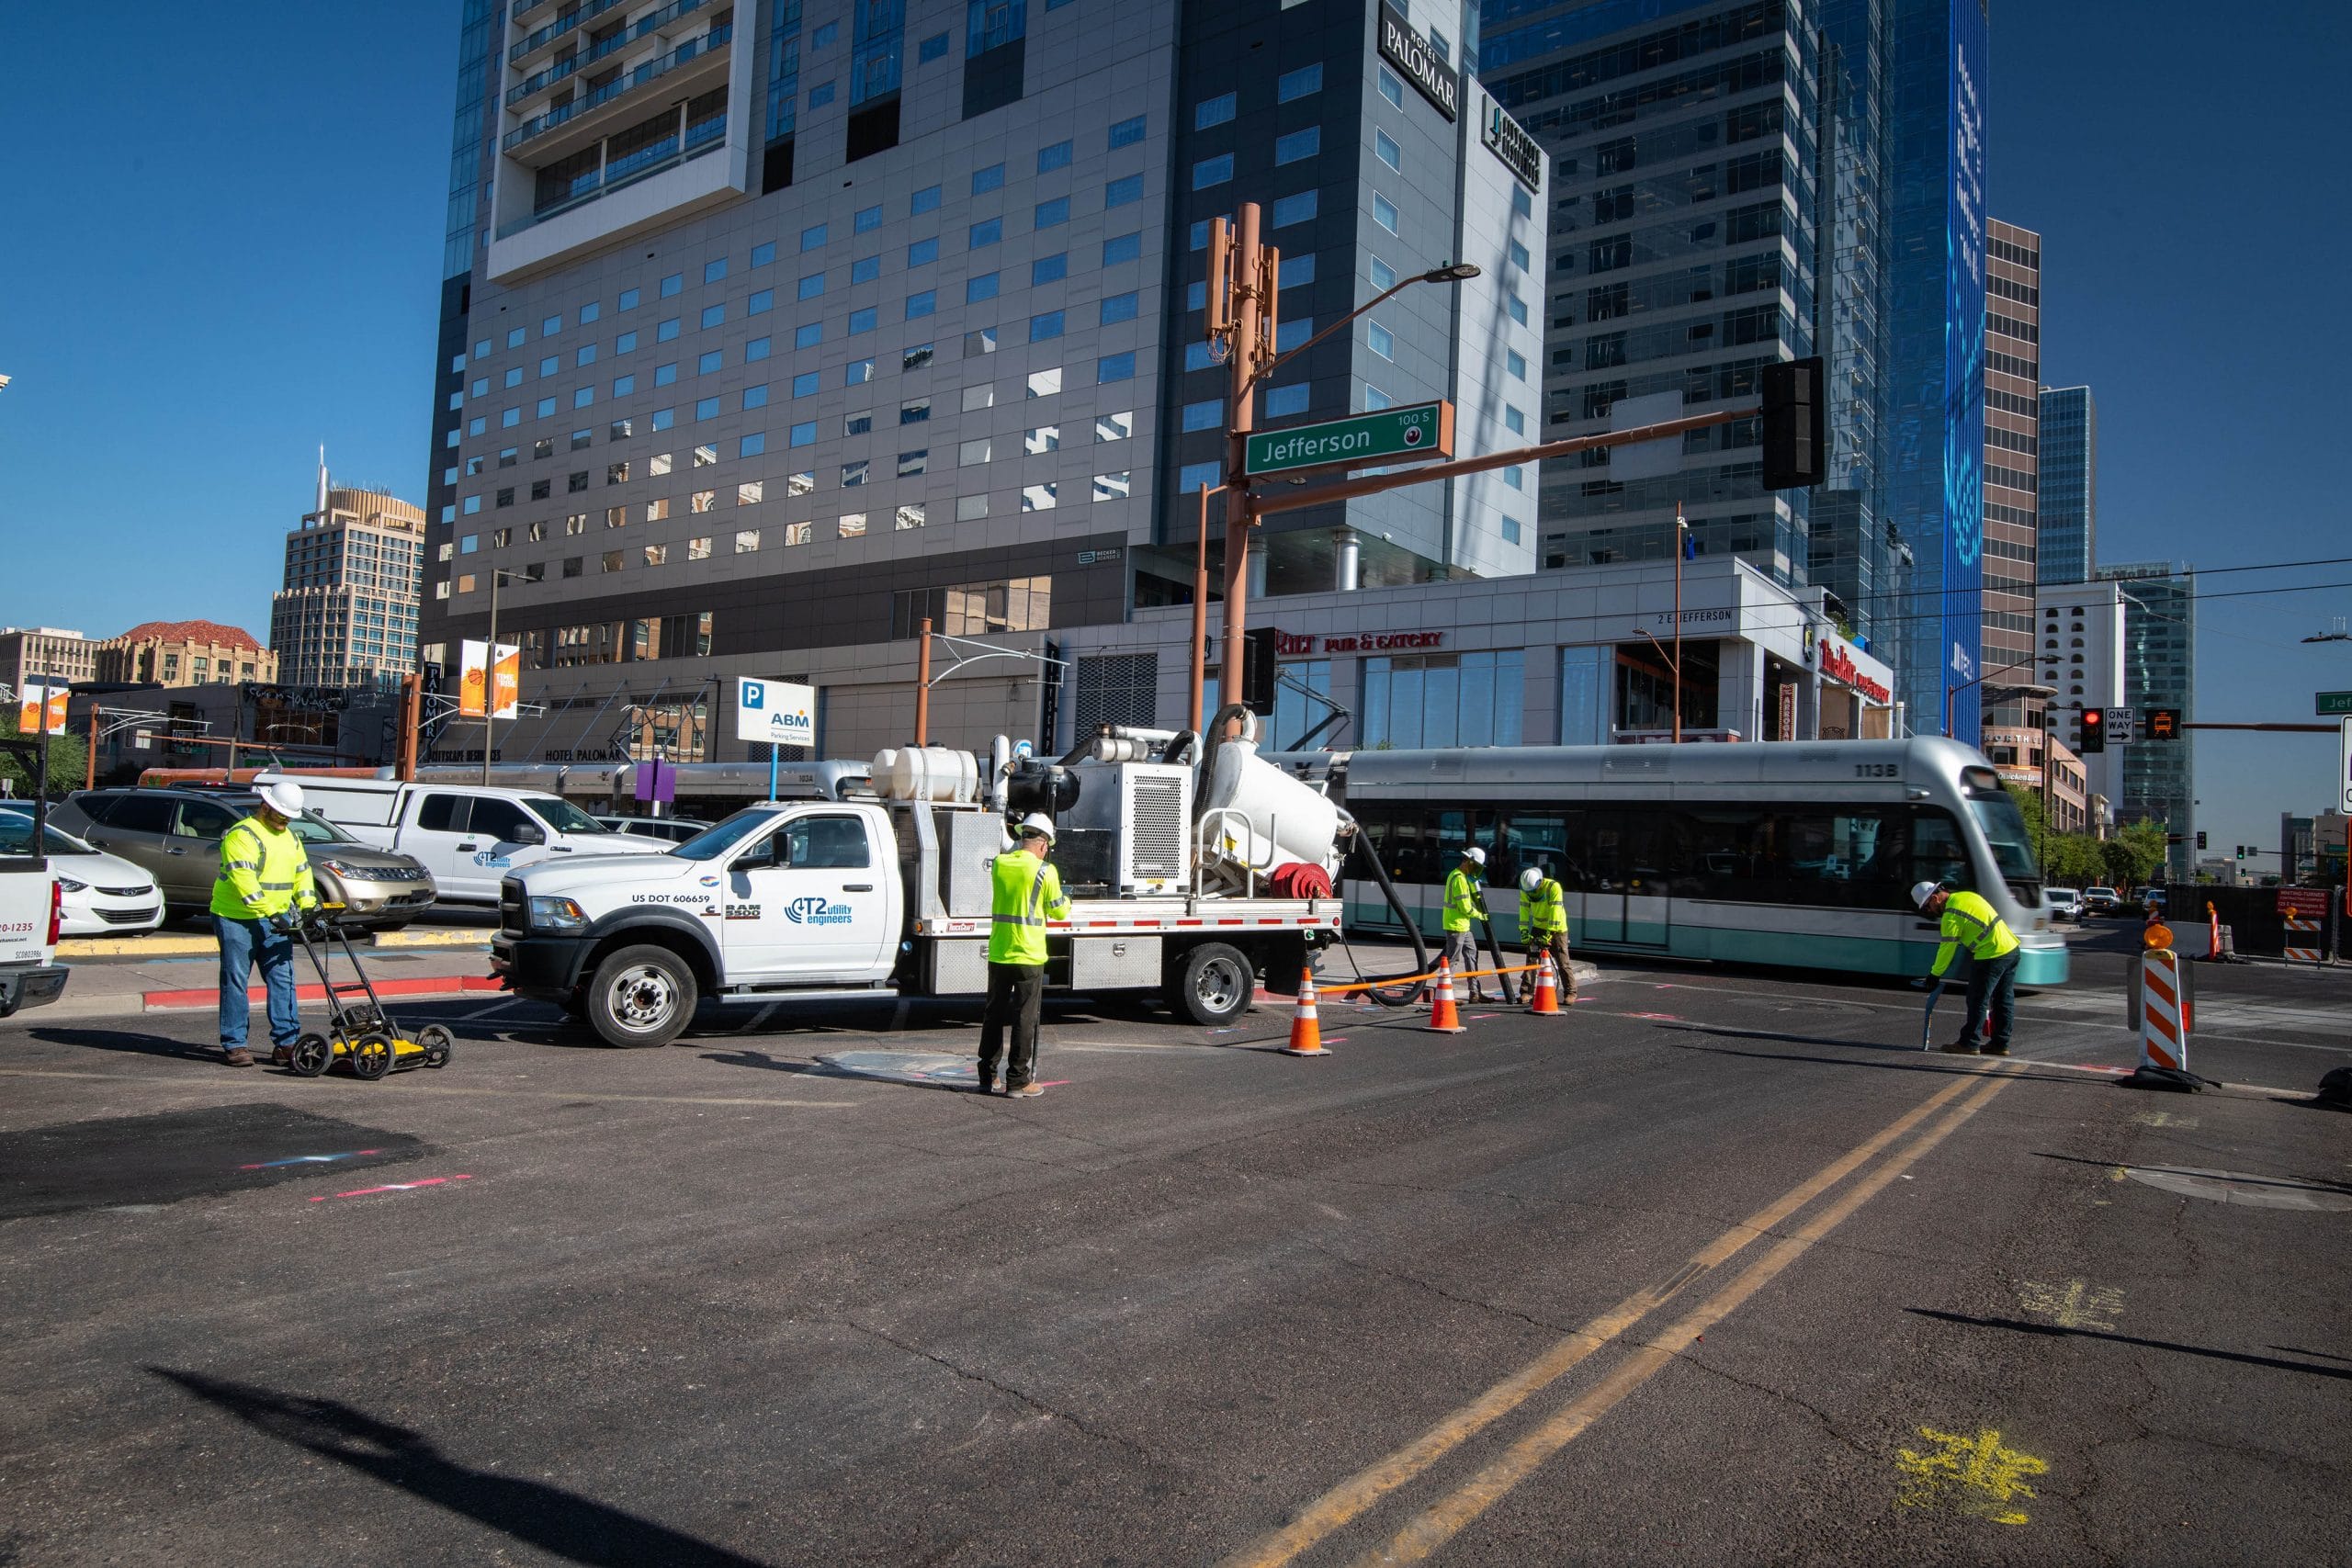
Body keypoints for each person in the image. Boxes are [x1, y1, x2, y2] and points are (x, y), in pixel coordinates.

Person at [212, 778, 321, 1067]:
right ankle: (235, 1044)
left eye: (290, 816)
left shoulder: (291, 838)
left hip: (277, 920)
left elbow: (302, 875)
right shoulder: (243, 835)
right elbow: (244, 881)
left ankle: (286, 1043)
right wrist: (272, 912)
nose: (286, 819)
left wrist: (309, 905)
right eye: (281, 813)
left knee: (282, 979)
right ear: (266, 806)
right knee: (236, 980)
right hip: (237, 917)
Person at [979, 813, 1070, 1098]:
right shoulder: (1046, 871)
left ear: (1023, 838)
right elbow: (1059, 911)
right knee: (1024, 1018)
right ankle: (1018, 1081)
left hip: (1000, 951)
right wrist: (1066, 898)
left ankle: (987, 1076)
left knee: (993, 1015)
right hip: (1029, 955)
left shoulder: (1000, 864)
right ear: (1043, 844)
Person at [1912, 880, 2018, 1056]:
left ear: (1936, 898)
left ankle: (1969, 1042)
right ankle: (2000, 1044)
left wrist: (1934, 975)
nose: (1929, 911)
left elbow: (1947, 948)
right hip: (2011, 949)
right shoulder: (1966, 895)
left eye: (1927, 906)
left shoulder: (1951, 914)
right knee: (2003, 1000)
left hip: (1990, 954)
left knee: (1977, 999)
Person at [1442, 847, 1493, 1002]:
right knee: (1452, 960)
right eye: (1475, 866)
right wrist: (1480, 915)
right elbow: (1464, 907)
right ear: (1468, 862)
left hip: (1463, 926)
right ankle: (1446, 994)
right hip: (1456, 925)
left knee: (1472, 954)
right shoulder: (1458, 878)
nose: (1476, 870)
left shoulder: (1463, 877)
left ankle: (1475, 992)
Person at [1518, 863, 1574, 1005]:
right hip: (1537, 927)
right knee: (1531, 961)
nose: (1531, 894)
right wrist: (1523, 931)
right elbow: (1524, 909)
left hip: (1557, 930)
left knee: (1562, 961)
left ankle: (1570, 992)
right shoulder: (1526, 888)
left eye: (1533, 891)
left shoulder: (1553, 887)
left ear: (1540, 882)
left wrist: (1549, 934)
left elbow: (1555, 912)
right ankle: (1526, 992)